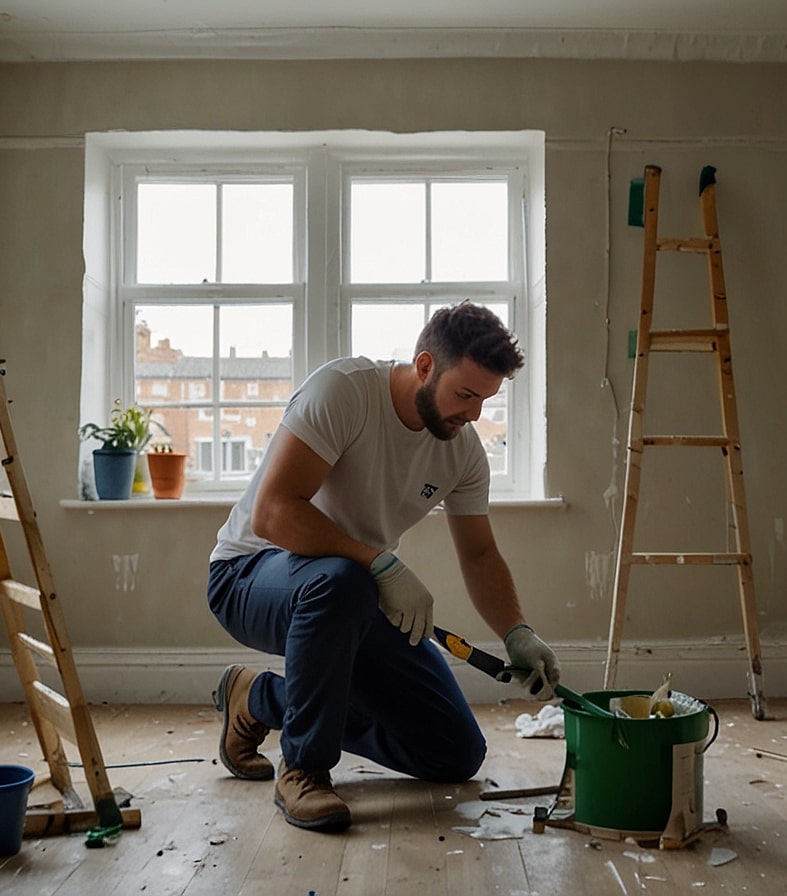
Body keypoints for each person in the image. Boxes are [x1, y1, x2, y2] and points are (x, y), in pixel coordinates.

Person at [206, 301, 561, 833]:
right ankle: (304, 767)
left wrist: (517, 631)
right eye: (465, 394)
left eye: (486, 399)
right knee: (343, 581)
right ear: (424, 367)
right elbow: (273, 512)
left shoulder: (461, 454)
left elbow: (480, 554)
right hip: (251, 574)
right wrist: (381, 564)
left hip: (350, 593)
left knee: (454, 751)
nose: (474, 415)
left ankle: (258, 698)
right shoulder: (344, 392)